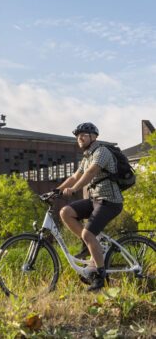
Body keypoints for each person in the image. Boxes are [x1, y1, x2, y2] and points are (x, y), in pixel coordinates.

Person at [57, 122, 123, 291]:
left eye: (84, 134)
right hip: (94, 200)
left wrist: (74, 189)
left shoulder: (102, 151)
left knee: (88, 233)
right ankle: (92, 246)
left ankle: (100, 277)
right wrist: (56, 191)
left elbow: (91, 173)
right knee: (66, 212)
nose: (80, 137)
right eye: (78, 135)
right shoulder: (86, 156)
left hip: (110, 201)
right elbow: (75, 176)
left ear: (93, 137)